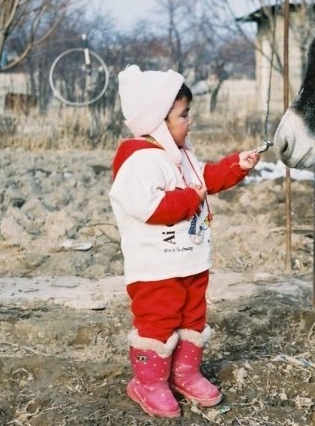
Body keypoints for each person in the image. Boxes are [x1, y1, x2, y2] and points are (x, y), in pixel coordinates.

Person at [109, 65, 260, 418]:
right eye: (183, 114)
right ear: (158, 121)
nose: (189, 121)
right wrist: (191, 199)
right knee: (157, 321)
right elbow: (151, 207)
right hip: (155, 267)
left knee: (193, 316)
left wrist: (236, 165)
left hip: (190, 261)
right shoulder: (139, 161)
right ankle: (148, 382)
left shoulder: (181, 155)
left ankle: (184, 373)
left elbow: (205, 177)